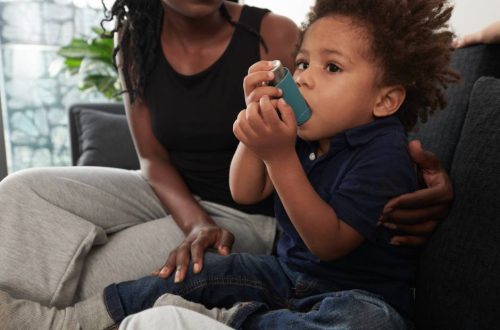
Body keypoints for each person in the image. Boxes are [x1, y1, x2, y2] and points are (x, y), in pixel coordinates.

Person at [0, 0, 453, 328]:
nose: (305, 76)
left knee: (363, 321)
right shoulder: (307, 135)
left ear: (387, 98)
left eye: (328, 68)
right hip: (267, 261)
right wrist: (253, 130)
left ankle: (220, 318)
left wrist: (277, 154)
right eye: (301, 65)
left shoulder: (371, 147)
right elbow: (212, 176)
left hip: (332, 281)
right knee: (18, 191)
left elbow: (316, 238)